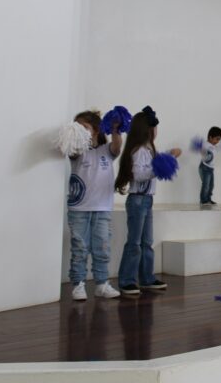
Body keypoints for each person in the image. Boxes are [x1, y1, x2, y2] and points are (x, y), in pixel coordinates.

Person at [115, 106, 182, 296]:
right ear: (148, 129)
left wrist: (168, 156)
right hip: (138, 200)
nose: (157, 131)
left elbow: (153, 163)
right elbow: (139, 174)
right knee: (135, 243)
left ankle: (146, 278)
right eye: (155, 127)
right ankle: (127, 280)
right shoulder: (139, 150)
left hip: (146, 200)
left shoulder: (148, 149)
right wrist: (160, 167)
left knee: (147, 242)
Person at [67, 110, 123, 300]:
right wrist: (75, 135)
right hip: (79, 208)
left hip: (102, 208)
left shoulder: (107, 150)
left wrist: (115, 129)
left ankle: (102, 284)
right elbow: (72, 150)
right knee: (79, 248)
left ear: (96, 130)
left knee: (102, 247)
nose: (80, 130)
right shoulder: (77, 150)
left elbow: (117, 146)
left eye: (84, 127)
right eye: (77, 127)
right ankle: (78, 284)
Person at [199, 126, 221, 205]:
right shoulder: (205, 145)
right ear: (210, 137)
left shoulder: (214, 146)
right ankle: (203, 200)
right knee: (206, 185)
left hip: (210, 168)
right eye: (217, 139)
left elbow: (220, 147)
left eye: (219, 140)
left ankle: (208, 199)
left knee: (211, 185)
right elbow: (203, 151)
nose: (217, 141)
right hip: (204, 167)